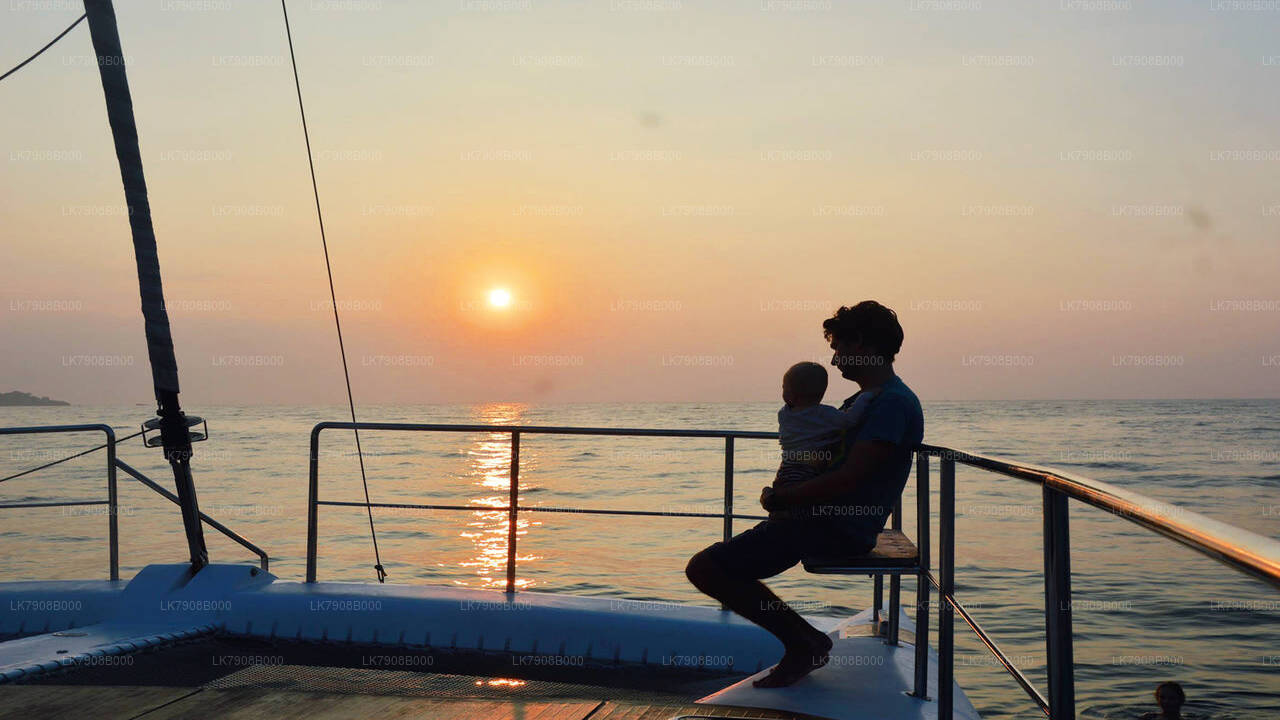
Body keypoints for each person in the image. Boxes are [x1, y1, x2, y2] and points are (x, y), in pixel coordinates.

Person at [685, 301, 924, 688]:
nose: (834, 360)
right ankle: (803, 641)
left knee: (705, 567)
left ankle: (805, 643)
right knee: (720, 564)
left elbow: (851, 476)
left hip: (835, 526)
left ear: (861, 344)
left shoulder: (891, 403)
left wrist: (785, 500)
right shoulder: (868, 402)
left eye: (839, 347)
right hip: (818, 519)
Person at [771, 361, 878, 521]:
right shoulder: (825, 414)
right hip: (811, 468)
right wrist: (865, 397)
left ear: (791, 395)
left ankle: (781, 522)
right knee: (805, 506)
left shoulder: (784, 414)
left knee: (785, 501)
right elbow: (850, 420)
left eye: (784, 387)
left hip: (787, 467)